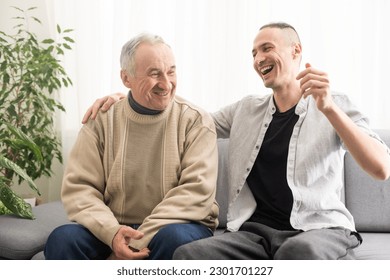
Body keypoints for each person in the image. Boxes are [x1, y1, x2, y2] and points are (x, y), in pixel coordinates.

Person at [82, 22, 390, 259]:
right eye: (254, 53)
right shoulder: (246, 110)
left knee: (298, 253)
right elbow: (184, 121)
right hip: (253, 234)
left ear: (296, 50)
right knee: (189, 256)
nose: (258, 58)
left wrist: (329, 109)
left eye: (267, 48)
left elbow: (381, 168)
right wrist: (130, 98)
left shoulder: (335, 103)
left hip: (319, 229)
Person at [44, 33, 219, 260]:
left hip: (179, 225)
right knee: (62, 239)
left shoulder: (196, 121)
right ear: (126, 79)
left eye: (171, 71)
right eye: (154, 74)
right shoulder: (101, 120)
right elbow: (80, 189)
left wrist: (135, 242)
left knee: (174, 239)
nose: (166, 84)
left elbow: (196, 192)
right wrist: (113, 234)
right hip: (114, 226)